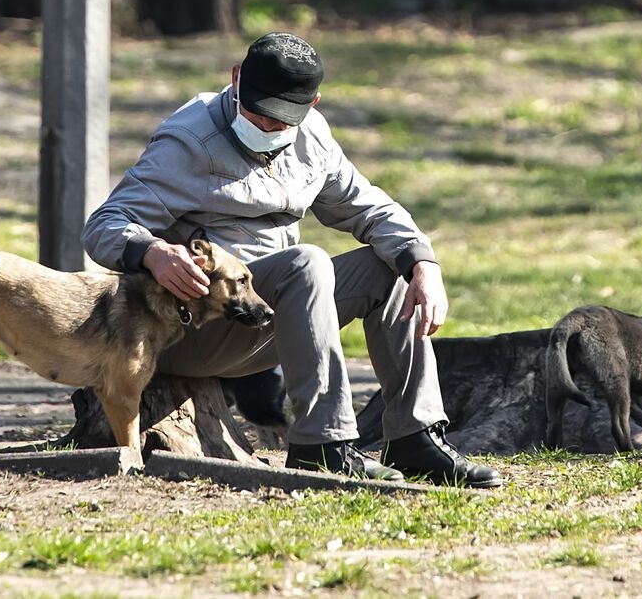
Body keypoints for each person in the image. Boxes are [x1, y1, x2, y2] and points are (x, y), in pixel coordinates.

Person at [82, 33, 500, 488]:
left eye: (279, 118)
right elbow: (105, 223)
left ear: (312, 104)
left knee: (391, 265)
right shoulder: (189, 139)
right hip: (192, 328)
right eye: (255, 108)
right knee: (308, 262)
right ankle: (323, 445)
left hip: (271, 316)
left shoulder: (312, 138)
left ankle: (415, 436)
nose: (264, 123)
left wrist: (424, 264)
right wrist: (152, 252)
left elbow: (371, 209)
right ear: (236, 78)